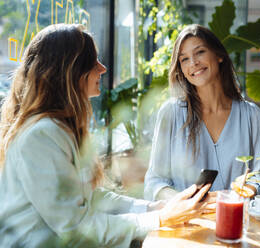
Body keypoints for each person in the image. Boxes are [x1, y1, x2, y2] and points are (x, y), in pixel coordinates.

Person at [0, 24, 213, 247]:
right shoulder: (41, 136)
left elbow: (91, 197)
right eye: (93, 63)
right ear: (70, 70)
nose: (102, 68)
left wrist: (155, 208)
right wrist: (159, 218)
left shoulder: (57, 128)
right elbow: (75, 229)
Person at [144, 24, 260, 201]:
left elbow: (258, 179)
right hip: (186, 222)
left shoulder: (252, 116)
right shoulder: (170, 114)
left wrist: (235, 196)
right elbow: (154, 182)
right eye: (184, 59)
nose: (193, 63)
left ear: (219, 56)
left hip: (236, 221)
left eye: (200, 52)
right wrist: (185, 201)